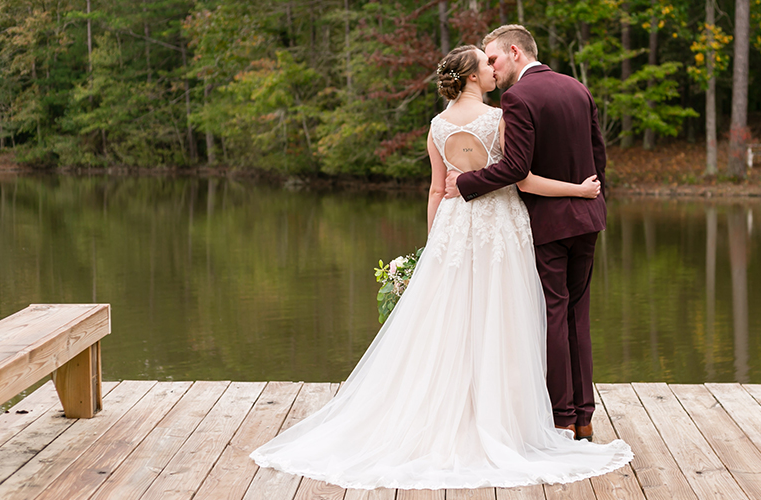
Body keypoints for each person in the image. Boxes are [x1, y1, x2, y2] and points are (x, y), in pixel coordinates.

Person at [250, 44, 632, 490]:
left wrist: (434, 247)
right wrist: (580, 190)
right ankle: (526, 418)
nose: (494, 69)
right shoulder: (498, 118)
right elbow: (520, 175)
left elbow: (436, 190)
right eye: (486, 64)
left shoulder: (435, 126)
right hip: (500, 227)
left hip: (454, 228)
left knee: (453, 324)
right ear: (472, 77)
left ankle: (460, 412)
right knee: (506, 321)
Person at [445, 25, 606, 442]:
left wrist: (463, 184)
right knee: (577, 315)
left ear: (514, 52)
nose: (492, 69)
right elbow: (598, 155)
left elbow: (517, 169)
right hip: (588, 216)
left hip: (548, 222)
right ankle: (585, 416)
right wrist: (594, 201)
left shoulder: (518, 98)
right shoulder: (578, 89)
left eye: (494, 58)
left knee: (553, 312)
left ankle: (562, 417)